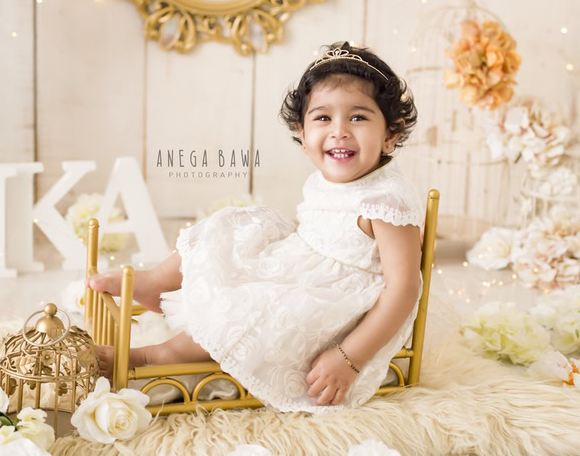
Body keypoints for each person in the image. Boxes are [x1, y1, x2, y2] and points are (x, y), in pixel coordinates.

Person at [87, 41, 425, 412]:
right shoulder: (334, 176)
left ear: (391, 134)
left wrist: (349, 356)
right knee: (237, 226)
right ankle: (155, 281)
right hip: (304, 262)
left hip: (340, 301)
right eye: (323, 118)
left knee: (256, 311)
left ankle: (153, 357)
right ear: (302, 133)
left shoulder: (387, 202)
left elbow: (404, 288)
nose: (339, 131)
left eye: (358, 117)